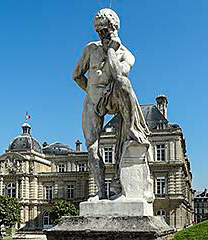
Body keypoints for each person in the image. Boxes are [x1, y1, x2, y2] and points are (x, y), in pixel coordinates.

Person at [73, 8, 150, 200]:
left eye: (104, 30)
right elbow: (76, 75)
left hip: (113, 96)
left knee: (124, 84)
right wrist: (91, 92)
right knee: (92, 149)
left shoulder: (127, 54)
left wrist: (111, 50)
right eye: (98, 30)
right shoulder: (90, 49)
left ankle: (132, 128)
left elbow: (118, 75)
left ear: (114, 28)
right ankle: (100, 192)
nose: (100, 34)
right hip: (93, 100)